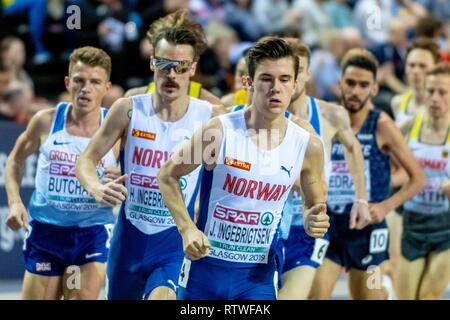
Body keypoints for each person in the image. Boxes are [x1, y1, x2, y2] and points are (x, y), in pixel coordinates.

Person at [156, 37, 329, 300]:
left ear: (296, 84)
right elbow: (168, 175)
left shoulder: (307, 145)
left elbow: (313, 206)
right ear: (248, 82)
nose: (276, 88)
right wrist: (187, 228)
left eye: (284, 79)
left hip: (257, 278)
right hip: (204, 271)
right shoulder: (219, 130)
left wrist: (311, 220)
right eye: (266, 79)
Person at [76, 9, 225, 300]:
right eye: (164, 64)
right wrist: (96, 187)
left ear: (193, 68)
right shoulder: (129, 107)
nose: (171, 74)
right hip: (128, 241)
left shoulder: (211, 117)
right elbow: (86, 159)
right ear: (152, 62)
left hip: (174, 242)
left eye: (180, 67)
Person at [309, 48, 426, 300]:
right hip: (330, 225)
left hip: (369, 229)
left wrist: (385, 206)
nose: (356, 91)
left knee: (368, 298)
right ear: (340, 83)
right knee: (315, 296)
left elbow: (417, 177)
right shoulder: (326, 119)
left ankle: (385, 291)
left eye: (364, 85)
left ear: (374, 89)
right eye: (350, 83)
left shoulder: (382, 125)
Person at [5, 46, 119, 299]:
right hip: (46, 232)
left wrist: (120, 176)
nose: (85, 88)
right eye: (79, 80)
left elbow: (139, 174)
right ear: (68, 83)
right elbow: (14, 160)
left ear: (106, 88)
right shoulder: (46, 121)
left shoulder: (116, 128)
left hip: (92, 232)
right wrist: (14, 203)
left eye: (94, 82)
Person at [276, 39, 370, 300]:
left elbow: (353, 150)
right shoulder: (265, 116)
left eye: (298, 70)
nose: (292, 79)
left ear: (306, 73)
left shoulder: (330, 114)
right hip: (270, 227)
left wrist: (361, 198)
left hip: (310, 228)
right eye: (286, 73)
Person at [386, 38, 441, 292]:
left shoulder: (444, 108)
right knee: (395, 262)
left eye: (422, 66)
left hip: (437, 200)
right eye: (411, 65)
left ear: (434, 69)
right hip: (404, 192)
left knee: (428, 288)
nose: (416, 71)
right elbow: (395, 151)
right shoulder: (400, 103)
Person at [396, 63, 450, 300]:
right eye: (431, 91)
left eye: (443, 92)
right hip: (413, 224)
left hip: (446, 226)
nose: (435, 98)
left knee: (428, 296)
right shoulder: (408, 126)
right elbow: (384, 168)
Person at [124, 11, 222, 105]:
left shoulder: (211, 105)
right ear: (153, 60)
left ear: (193, 66)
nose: (171, 74)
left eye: (182, 65)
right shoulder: (132, 100)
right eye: (164, 63)